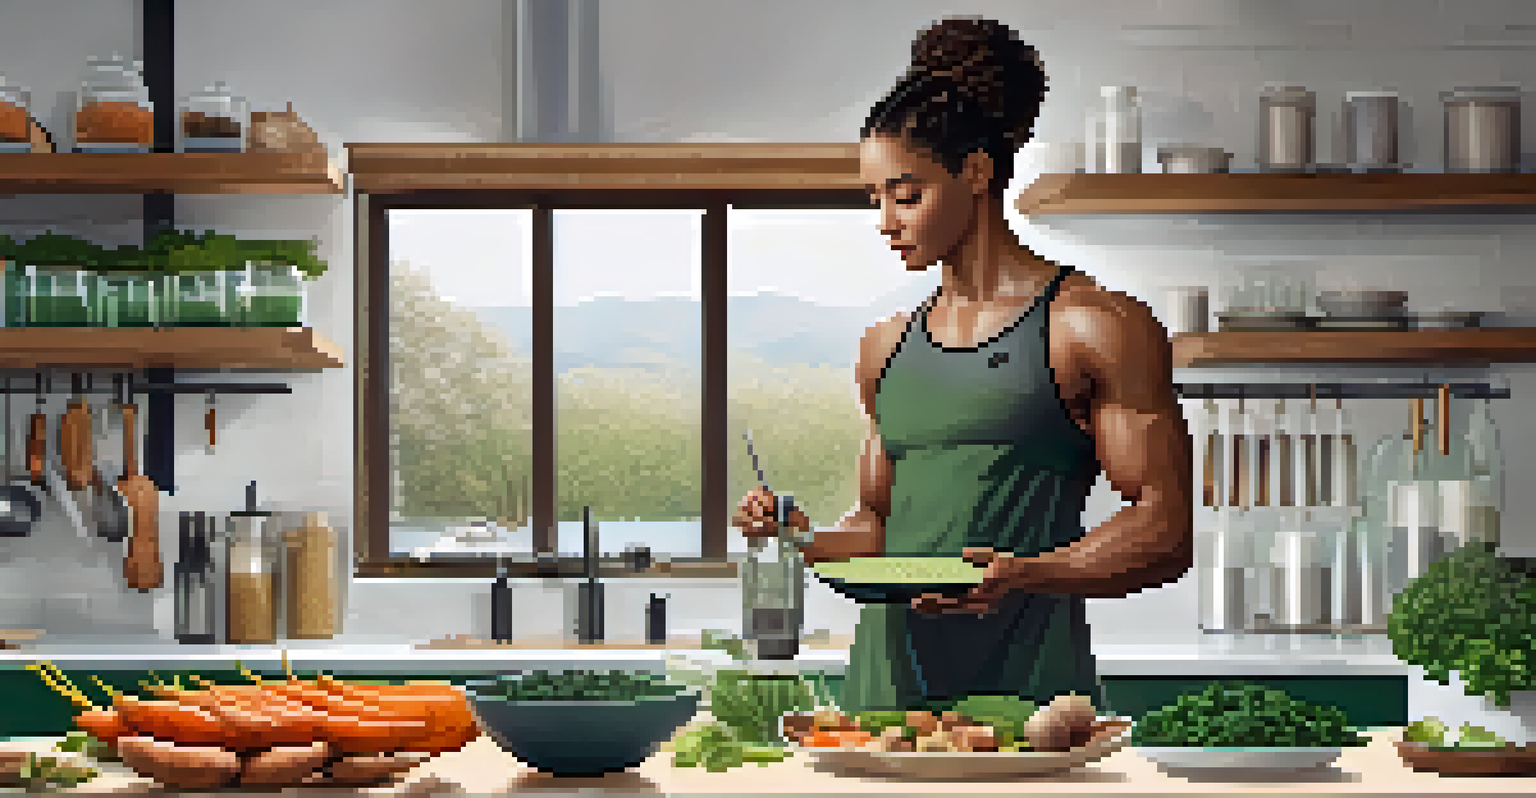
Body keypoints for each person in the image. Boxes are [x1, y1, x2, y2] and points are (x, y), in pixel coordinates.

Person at [732, 16, 1193, 717]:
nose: (886, 220)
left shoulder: (1092, 326)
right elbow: (881, 528)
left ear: (976, 172)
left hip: (1035, 715)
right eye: (874, 199)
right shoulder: (885, 347)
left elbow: (1164, 527)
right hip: (884, 711)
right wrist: (797, 535)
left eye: (906, 194)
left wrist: (1029, 573)